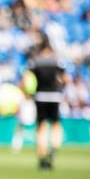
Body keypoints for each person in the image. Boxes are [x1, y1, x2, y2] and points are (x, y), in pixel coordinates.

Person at [28, 40, 65, 171]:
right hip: (55, 96)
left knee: (41, 127)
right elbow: (64, 79)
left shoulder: (35, 61)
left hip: (40, 96)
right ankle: (54, 150)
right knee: (56, 125)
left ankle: (42, 157)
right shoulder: (57, 61)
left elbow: (27, 79)